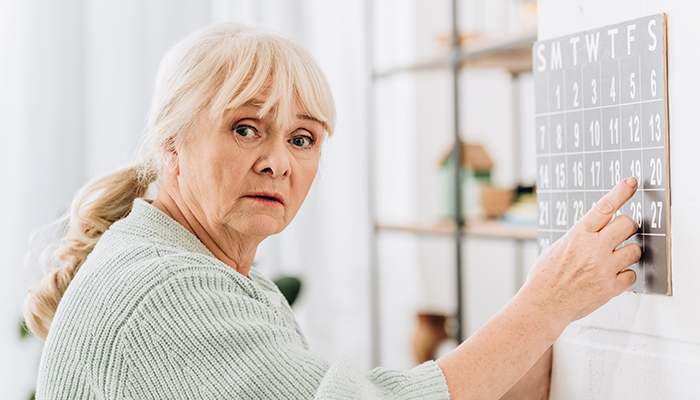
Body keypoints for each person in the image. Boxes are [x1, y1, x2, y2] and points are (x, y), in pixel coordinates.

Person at [24, 22, 641, 400]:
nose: (278, 163)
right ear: (171, 146)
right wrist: (547, 300)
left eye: (302, 138)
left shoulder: (197, 266)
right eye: (245, 129)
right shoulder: (167, 293)